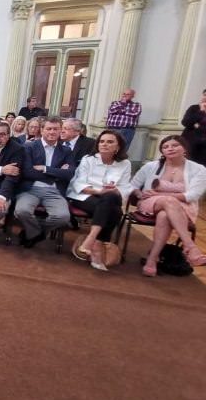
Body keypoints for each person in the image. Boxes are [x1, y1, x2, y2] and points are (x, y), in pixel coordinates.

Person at [130, 135, 206, 276]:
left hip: (184, 206)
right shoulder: (151, 166)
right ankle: (190, 247)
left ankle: (152, 259)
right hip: (150, 203)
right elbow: (133, 185)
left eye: (175, 145)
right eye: (165, 147)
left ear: (184, 148)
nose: (170, 148)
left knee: (164, 215)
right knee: (169, 202)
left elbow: (193, 195)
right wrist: (140, 195)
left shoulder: (198, 169)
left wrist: (164, 196)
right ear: (162, 152)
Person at [67, 130, 132, 271]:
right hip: (85, 196)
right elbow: (79, 183)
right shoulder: (88, 159)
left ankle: (92, 240)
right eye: (102, 141)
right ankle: (98, 245)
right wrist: (98, 191)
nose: (104, 144)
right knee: (114, 211)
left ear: (118, 147)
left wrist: (111, 191)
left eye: (110, 142)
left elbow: (125, 187)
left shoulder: (125, 164)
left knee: (109, 198)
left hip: (110, 197)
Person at [14, 117, 74, 248]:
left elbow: (69, 174)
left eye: (55, 129)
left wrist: (45, 168)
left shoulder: (66, 151)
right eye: (48, 129)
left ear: (60, 131)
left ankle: (34, 232)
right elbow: (27, 172)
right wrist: (56, 173)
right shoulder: (29, 147)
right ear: (42, 130)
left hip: (54, 191)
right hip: (30, 190)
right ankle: (36, 232)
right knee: (21, 211)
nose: (52, 132)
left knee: (63, 217)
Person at [181, 89, 206, 166]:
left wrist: (196, 125)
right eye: (204, 95)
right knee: (187, 165)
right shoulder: (194, 108)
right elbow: (186, 122)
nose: (205, 97)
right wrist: (201, 111)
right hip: (190, 143)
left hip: (204, 146)